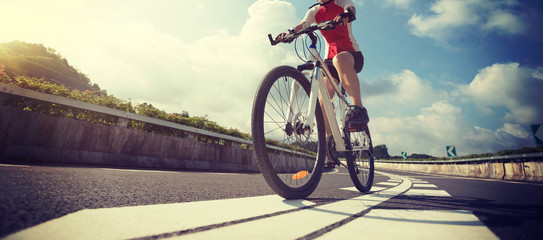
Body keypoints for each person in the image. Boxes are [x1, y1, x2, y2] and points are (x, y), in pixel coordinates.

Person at [278, 0, 369, 168]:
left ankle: (358, 110)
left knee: (339, 59)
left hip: (351, 54)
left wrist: (346, 15)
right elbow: (303, 24)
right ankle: (330, 141)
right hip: (329, 59)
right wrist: (289, 33)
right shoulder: (315, 11)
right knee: (323, 98)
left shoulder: (341, 1)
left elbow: (351, 9)